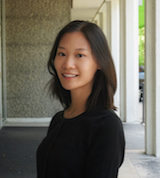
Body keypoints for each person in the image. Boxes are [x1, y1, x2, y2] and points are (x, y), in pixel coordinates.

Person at [36, 20, 125, 178]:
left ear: (99, 62)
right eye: (62, 54)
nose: (68, 64)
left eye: (80, 55)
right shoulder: (59, 119)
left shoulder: (106, 126)